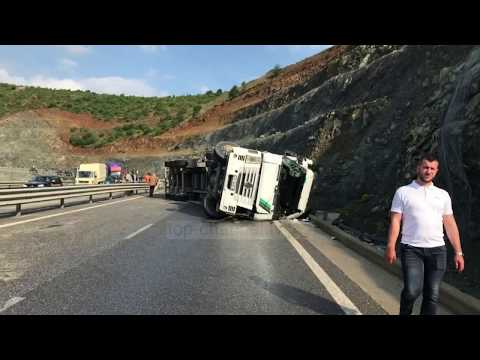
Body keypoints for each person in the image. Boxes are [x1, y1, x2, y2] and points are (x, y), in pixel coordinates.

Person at [385, 153, 465, 315]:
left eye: (432, 168)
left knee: (432, 295)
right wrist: (390, 246)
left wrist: (458, 252)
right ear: (419, 168)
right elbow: (395, 221)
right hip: (411, 249)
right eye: (425, 167)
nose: (428, 171)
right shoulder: (403, 192)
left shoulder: (442, 195)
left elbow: (450, 224)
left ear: (436, 171)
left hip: (437, 251)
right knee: (412, 291)